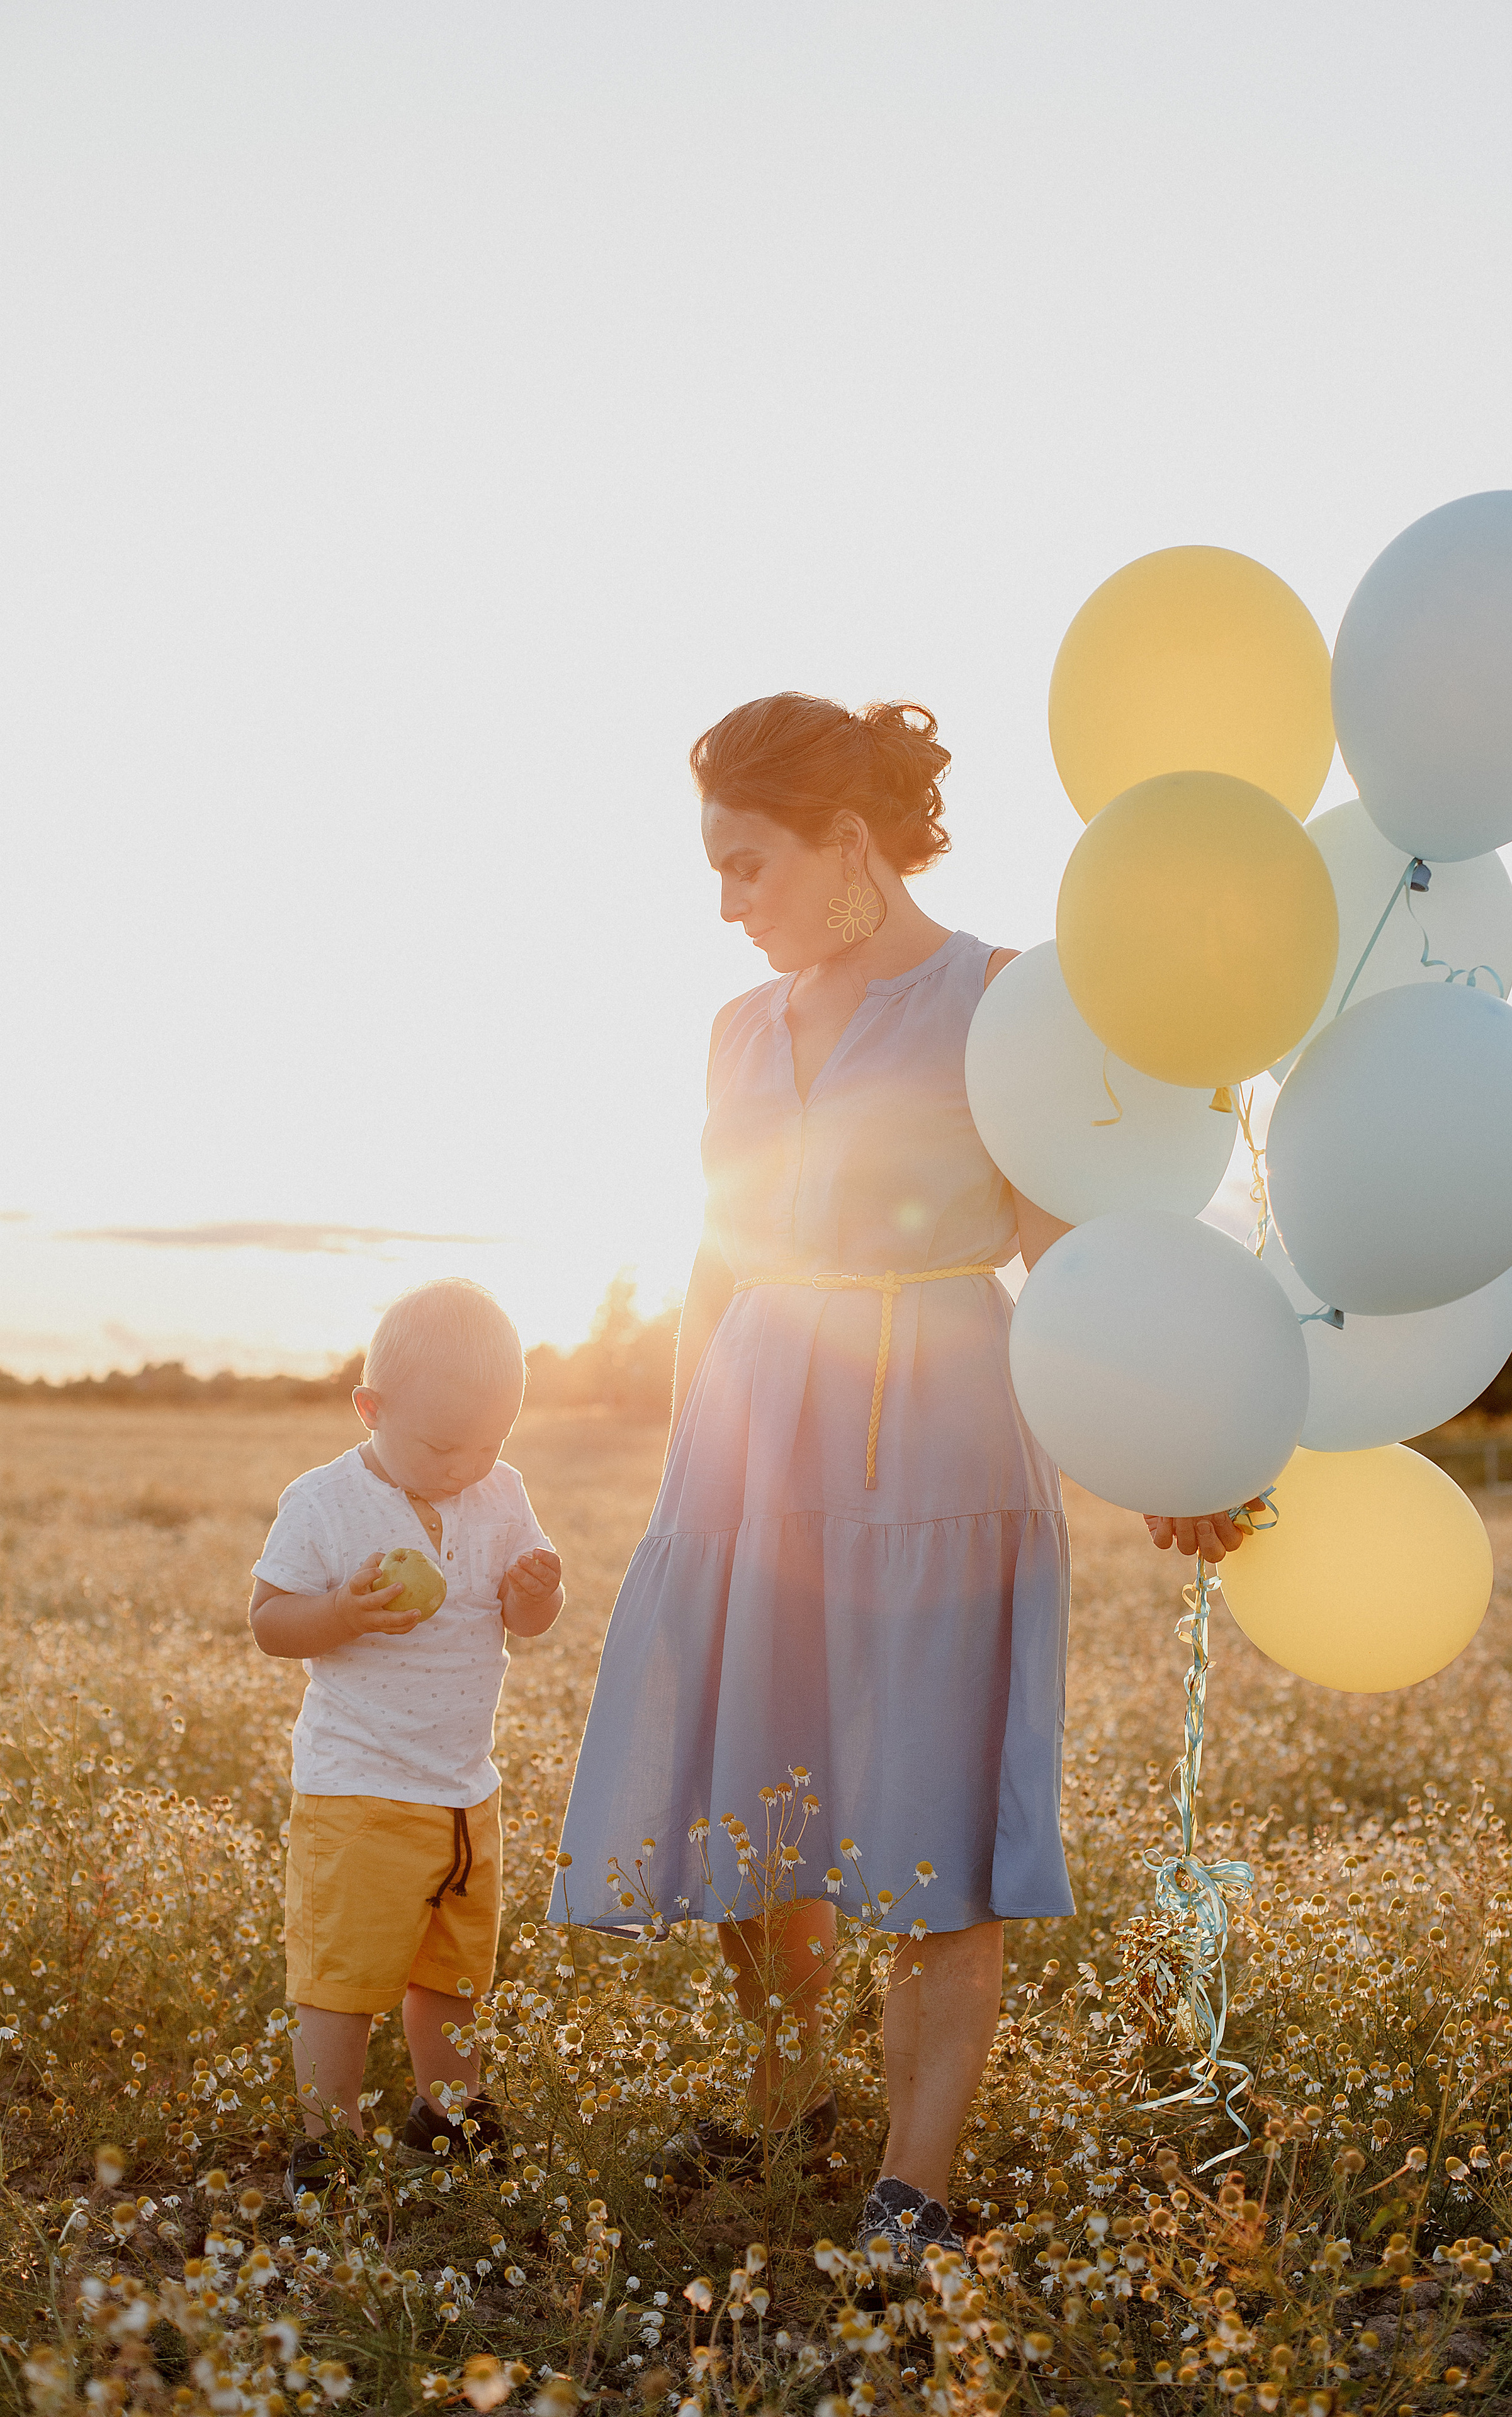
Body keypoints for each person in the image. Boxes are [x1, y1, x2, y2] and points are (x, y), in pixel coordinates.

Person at [552, 691, 1100, 2268]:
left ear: (844, 845)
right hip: (747, 1443)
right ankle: (789, 2087)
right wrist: (683, 1484)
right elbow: (711, 1264)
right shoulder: (734, 1029)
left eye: (745, 865)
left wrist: (1161, 1454)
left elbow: (1068, 1267)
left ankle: (910, 2187)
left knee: (934, 1840)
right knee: (751, 1789)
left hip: (940, 1442)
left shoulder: (1002, 999)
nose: (725, 904)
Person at [249, 1277, 564, 2202]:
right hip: (360, 1789)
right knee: (343, 1979)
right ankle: (329, 2137)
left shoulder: (501, 1493)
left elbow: (525, 1617)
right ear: (370, 1408)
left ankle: (449, 2115)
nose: (468, 1462)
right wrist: (342, 1611)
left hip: (466, 1790)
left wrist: (536, 1592)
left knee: (453, 1974)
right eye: (441, 1443)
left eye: (491, 1441)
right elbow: (271, 1622)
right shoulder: (323, 1502)